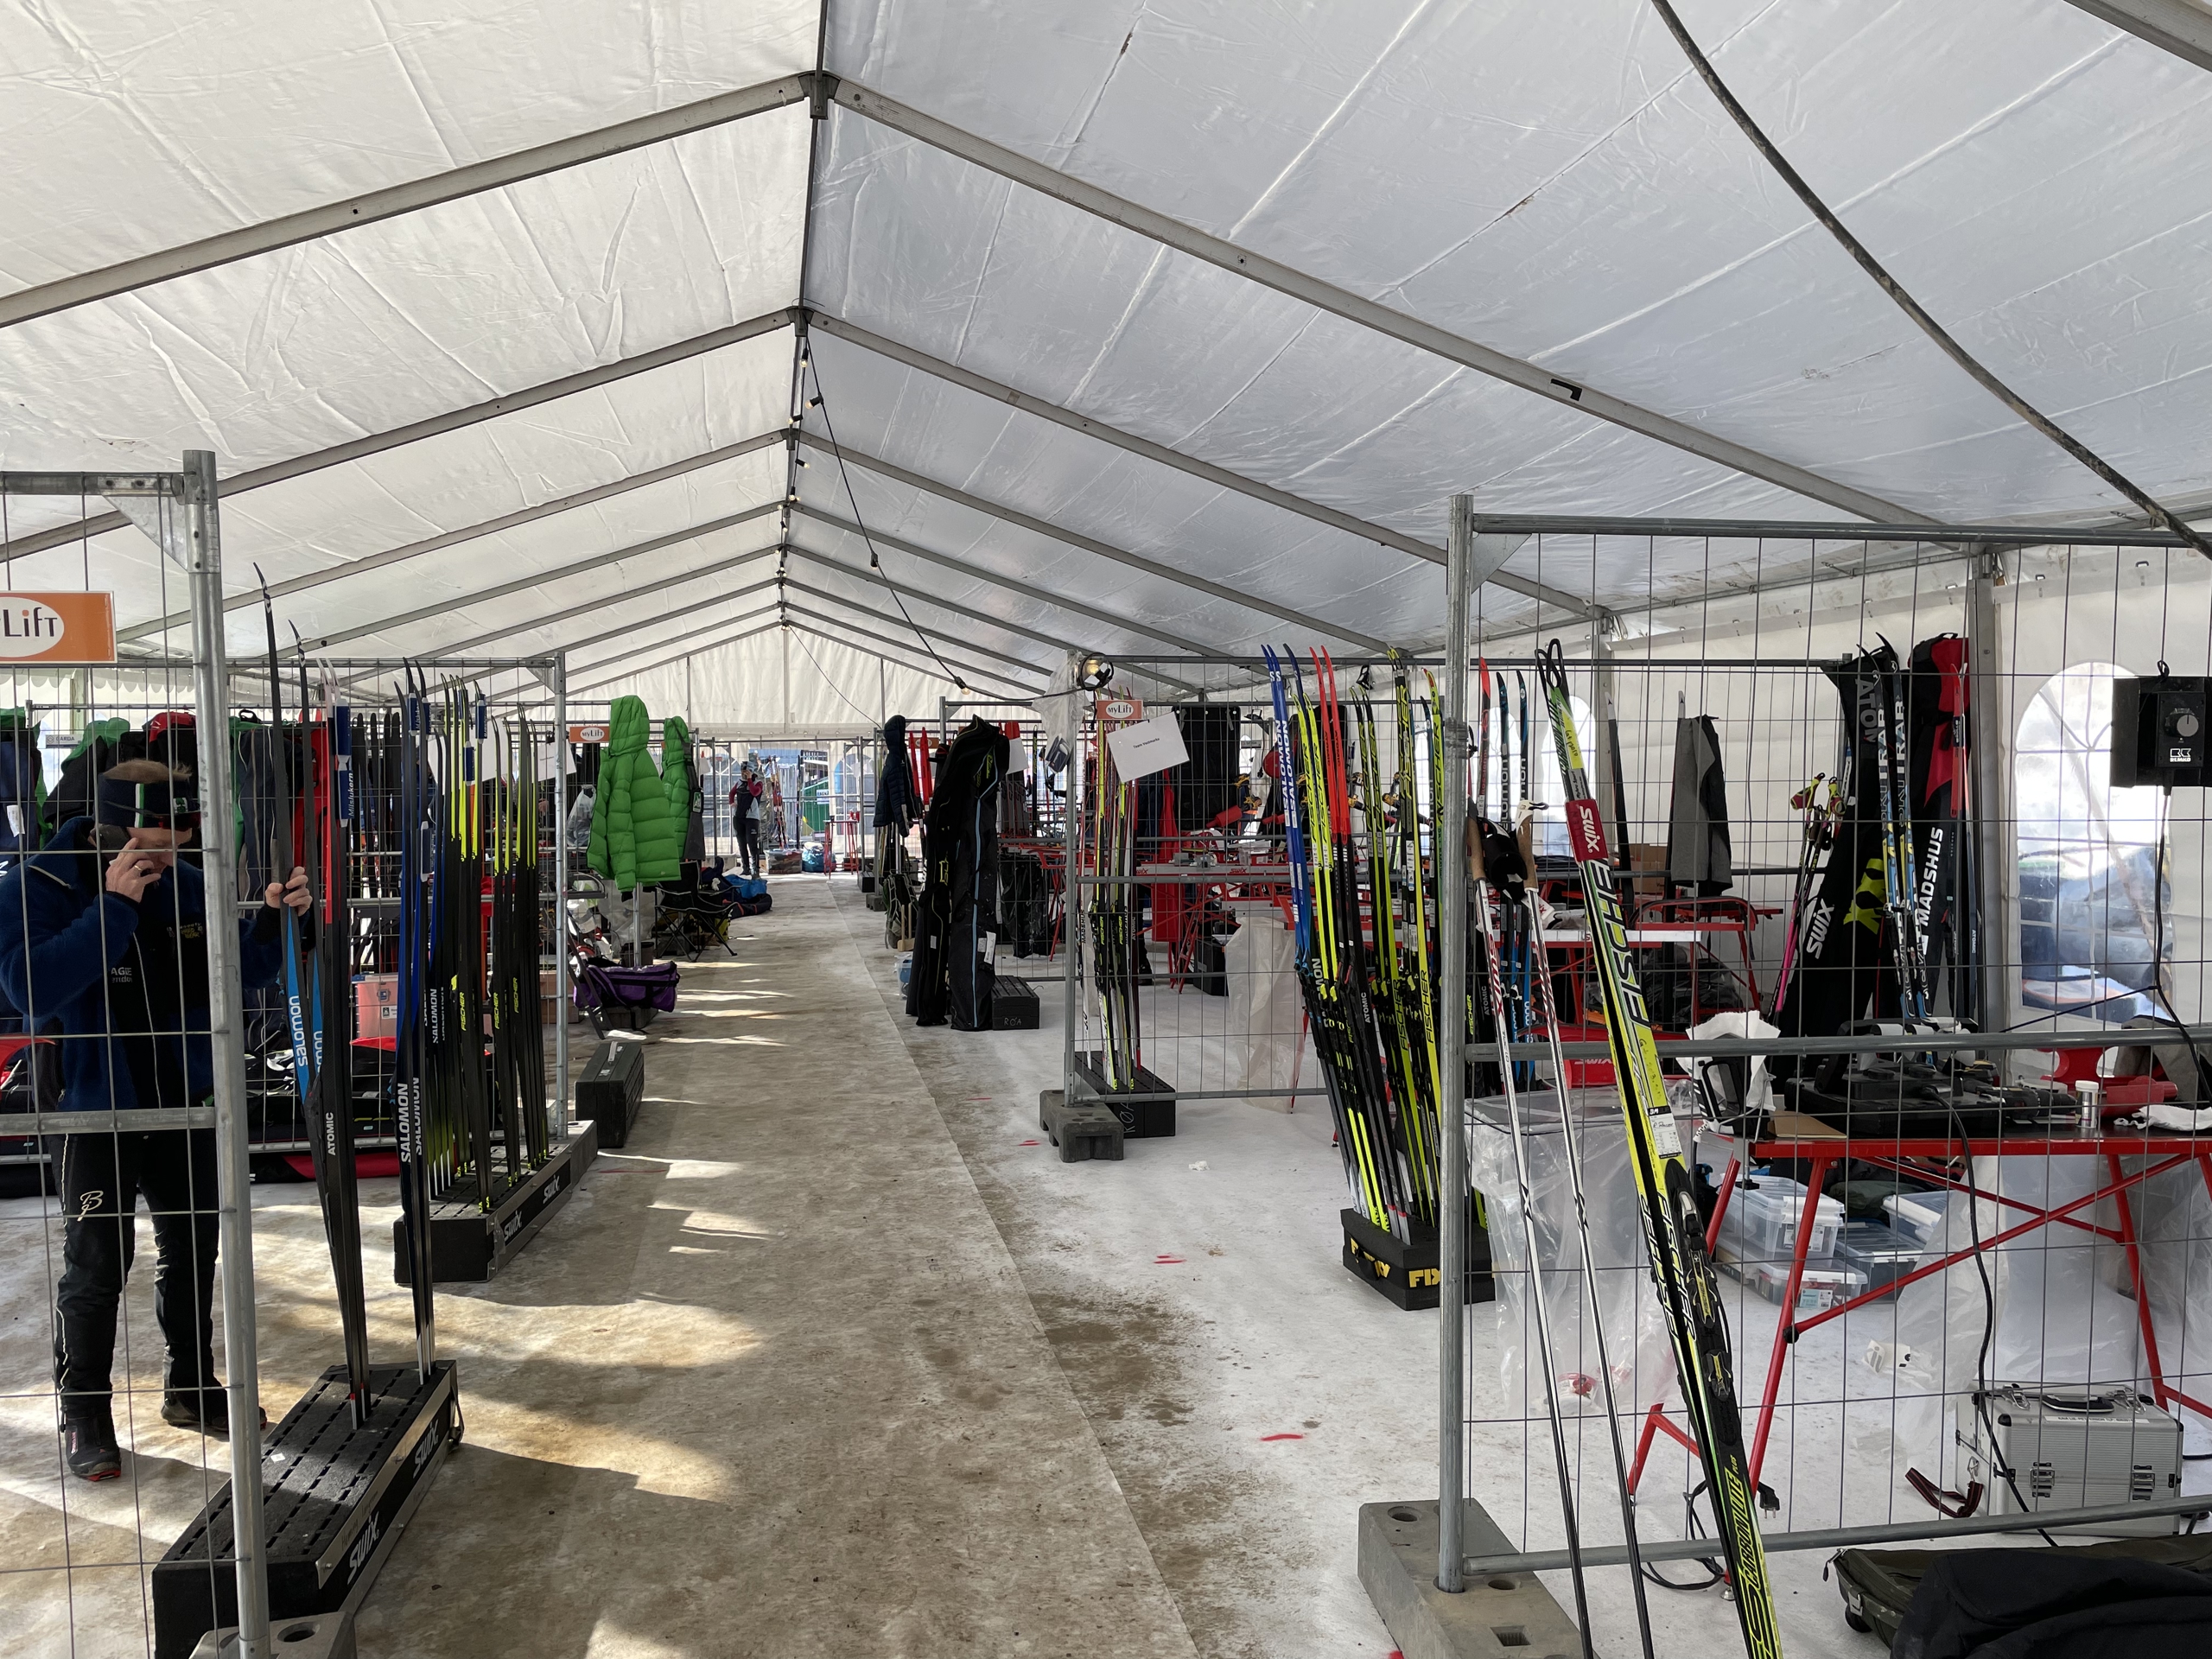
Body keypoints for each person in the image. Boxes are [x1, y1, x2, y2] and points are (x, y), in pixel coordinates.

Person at [0, 760, 308, 1481]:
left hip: (185, 1102)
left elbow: (242, 974)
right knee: (97, 1264)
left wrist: (271, 919)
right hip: (93, 1109)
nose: (168, 859)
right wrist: (112, 908)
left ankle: (190, 1386)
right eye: (156, 844)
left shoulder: (187, 881)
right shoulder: (34, 885)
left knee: (194, 1249)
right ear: (108, 830)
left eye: (180, 843)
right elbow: (27, 990)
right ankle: (85, 1411)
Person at [728, 762, 765, 878]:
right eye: (742, 772)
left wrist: (749, 779)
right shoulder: (739, 783)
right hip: (739, 817)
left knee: (752, 844)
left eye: (746, 772)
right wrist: (732, 802)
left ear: (751, 772)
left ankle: (755, 869)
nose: (743, 774)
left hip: (752, 818)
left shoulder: (758, 783)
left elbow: (755, 792)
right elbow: (731, 793)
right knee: (742, 844)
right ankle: (746, 868)